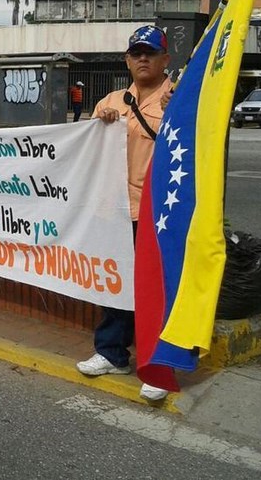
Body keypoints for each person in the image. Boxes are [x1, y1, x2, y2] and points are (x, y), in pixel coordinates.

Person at [75, 25, 174, 402]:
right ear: (127, 60)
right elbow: (85, 152)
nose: (143, 59)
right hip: (114, 211)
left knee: (156, 291)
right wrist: (97, 127)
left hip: (157, 214)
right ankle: (112, 353)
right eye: (136, 53)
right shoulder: (111, 101)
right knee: (114, 285)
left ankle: (158, 365)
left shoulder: (178, 99)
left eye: (151, 52)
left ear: (166, 59)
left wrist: (179, 115)